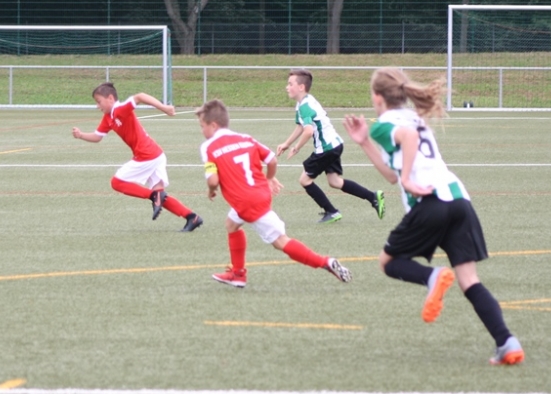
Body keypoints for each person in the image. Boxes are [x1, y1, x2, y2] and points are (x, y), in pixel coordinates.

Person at [343, 68, 524, 366]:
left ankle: (432, 277)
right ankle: (507, 341)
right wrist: (364, 142)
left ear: (377, 97)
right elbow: (392, 175)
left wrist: (408, 180)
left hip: (429, 202)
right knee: (469, 281)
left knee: (388, 263)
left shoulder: (386, 124)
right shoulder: (414, 117)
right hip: (458, 199)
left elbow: (408, 143)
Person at [196, 99, 352, 287]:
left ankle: (325, 262)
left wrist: (211, 190)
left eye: (202, 126)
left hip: (247, 202)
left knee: (280, 241)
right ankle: (238, 274)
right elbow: (271, 160)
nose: (202, 130)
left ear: (213, 125)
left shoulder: (208, 147)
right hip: (260, 193)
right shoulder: (245, 138)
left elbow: (213, 180)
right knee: (231, 224)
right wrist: (269, 178)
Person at [72, 82, 203, 232]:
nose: (97, 106)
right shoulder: (108, 117)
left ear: (110, 98)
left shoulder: (120, 109)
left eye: (98, 101)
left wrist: (164, 107)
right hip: (155, 154)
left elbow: (140, 96)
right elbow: (97, 136)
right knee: (161, 196)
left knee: (117, 182)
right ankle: (192, 217)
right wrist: (81, 135)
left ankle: (154, 196)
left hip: (147, 155)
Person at [276, 68, 385, 224]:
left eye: (290, 84)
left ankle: (332, 212)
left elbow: (308, 131)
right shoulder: (304, 102)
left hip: (326, 149)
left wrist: (297, 147)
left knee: (304, 180)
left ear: (301, 87)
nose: (287, 87)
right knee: (334, 182)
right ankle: (372, 197)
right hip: (335, 145)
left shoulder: (305, 106)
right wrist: (287, 143)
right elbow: (301, 126)